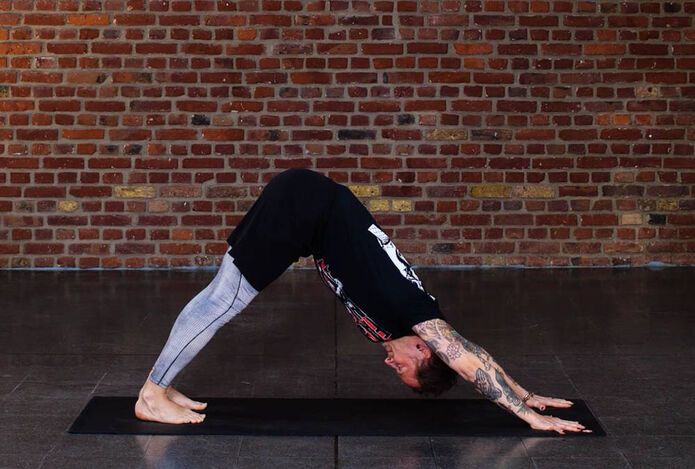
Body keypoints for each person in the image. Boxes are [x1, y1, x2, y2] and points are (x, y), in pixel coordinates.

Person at [135, 169, 590, 434]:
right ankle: (152, 394)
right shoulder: (414, 312)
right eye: (404, 369)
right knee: (224, 300)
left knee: (223, 297)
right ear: (424, 350)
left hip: (307, 204)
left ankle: (164, 385)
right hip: (303, 208)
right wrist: (527, 415)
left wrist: (527, 392)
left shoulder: (404, 323)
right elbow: (468, 360)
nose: (391, 366)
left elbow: (472, 353)